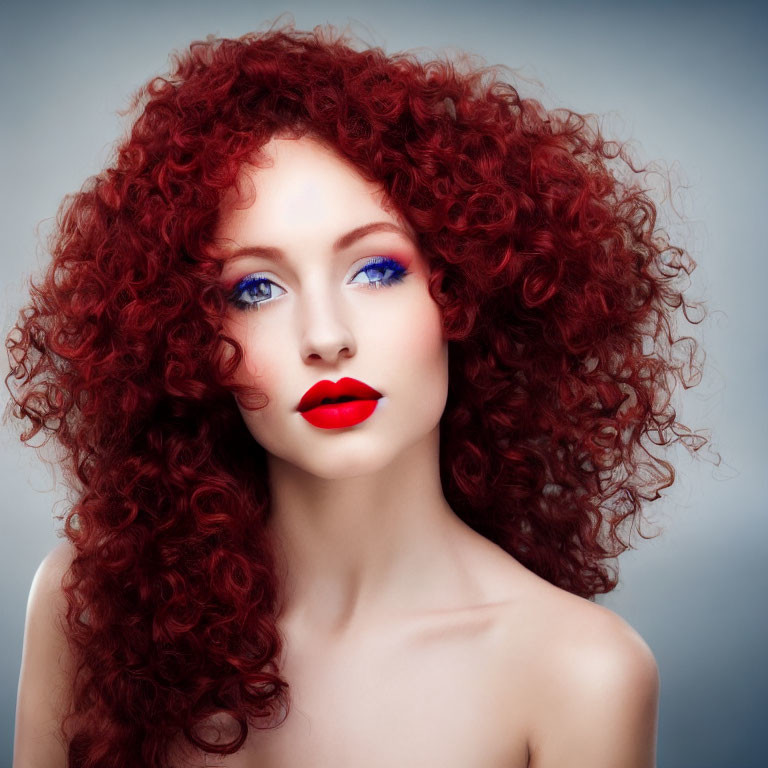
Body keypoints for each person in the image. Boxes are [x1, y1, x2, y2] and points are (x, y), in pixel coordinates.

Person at [8, 20, 710, 768]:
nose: (326, 335)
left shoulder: (579, 673)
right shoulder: (90, 609)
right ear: (184, 338)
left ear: (465, 289)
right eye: (256, 288)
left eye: (375, 271)